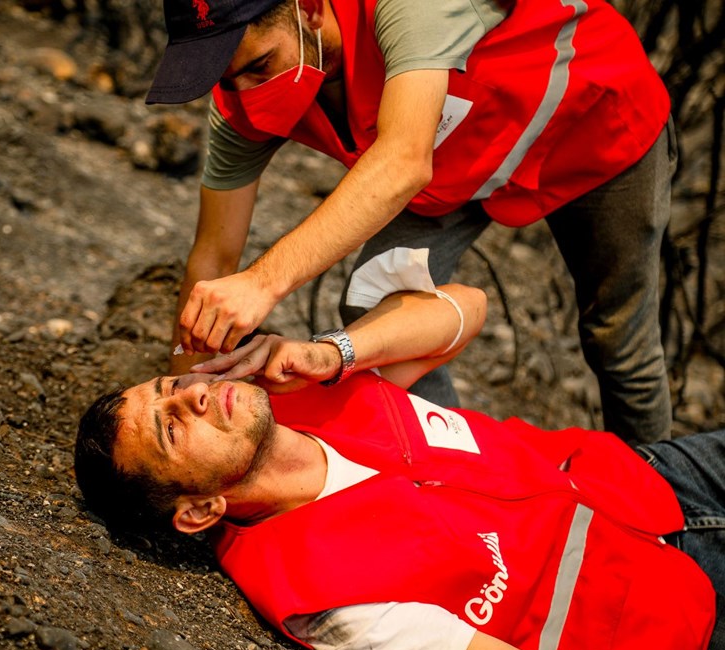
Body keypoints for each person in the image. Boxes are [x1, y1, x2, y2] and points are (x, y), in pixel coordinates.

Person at [75, 285, 723, 650]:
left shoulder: (307, 386)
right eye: (170, 427)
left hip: (648, 480)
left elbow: (466, 309)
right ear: (196, 512)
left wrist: (333, 352)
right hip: (667, 618)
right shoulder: (322, 594)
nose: (188, 395)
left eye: (169, 387)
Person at [151, 0, 676, 446]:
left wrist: (263, 281)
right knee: (372, 308)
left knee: (616, 340)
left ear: (309, 8)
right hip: (454, 170)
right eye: (227, 76)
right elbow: (214, 256)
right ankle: (446, 463)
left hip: (596, 130)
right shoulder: (245, 101)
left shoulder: (408, 6)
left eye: (261, 64)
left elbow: (402, 160)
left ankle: (665, 510)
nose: (245, 89)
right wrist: (182, 392)